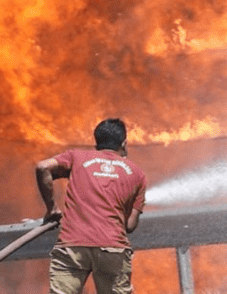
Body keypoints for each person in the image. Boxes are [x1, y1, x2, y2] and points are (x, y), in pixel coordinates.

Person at [36, 118, 147, 294]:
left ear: (96, 141)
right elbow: (130, 226)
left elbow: (43, 167)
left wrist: (52, 209)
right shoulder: (137, 173)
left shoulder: (77, 157)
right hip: (112, 248)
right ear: (124, 143)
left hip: (72, 246)